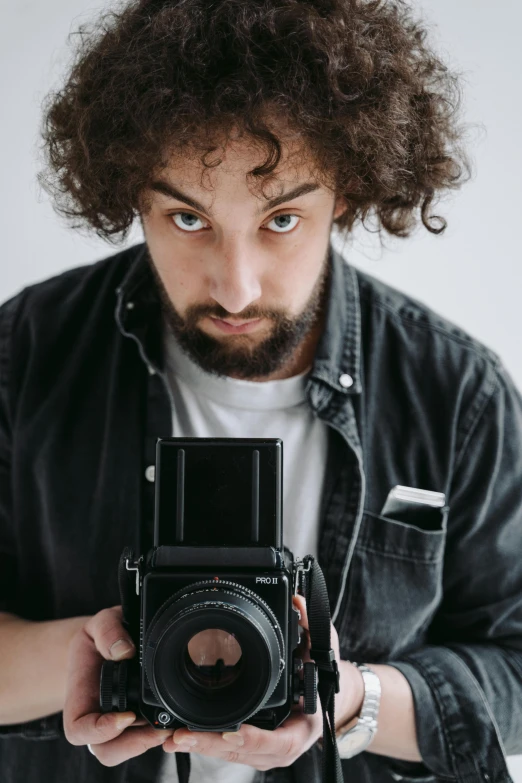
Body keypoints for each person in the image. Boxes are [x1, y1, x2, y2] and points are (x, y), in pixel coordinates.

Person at [1, 0, 521, 781]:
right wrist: (110, 653)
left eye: (280, 219)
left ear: (344, 192)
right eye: (186, 217)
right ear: (130, 195)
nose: (236, 288)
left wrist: (346, 699)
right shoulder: (26, 353)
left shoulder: (457, 393)